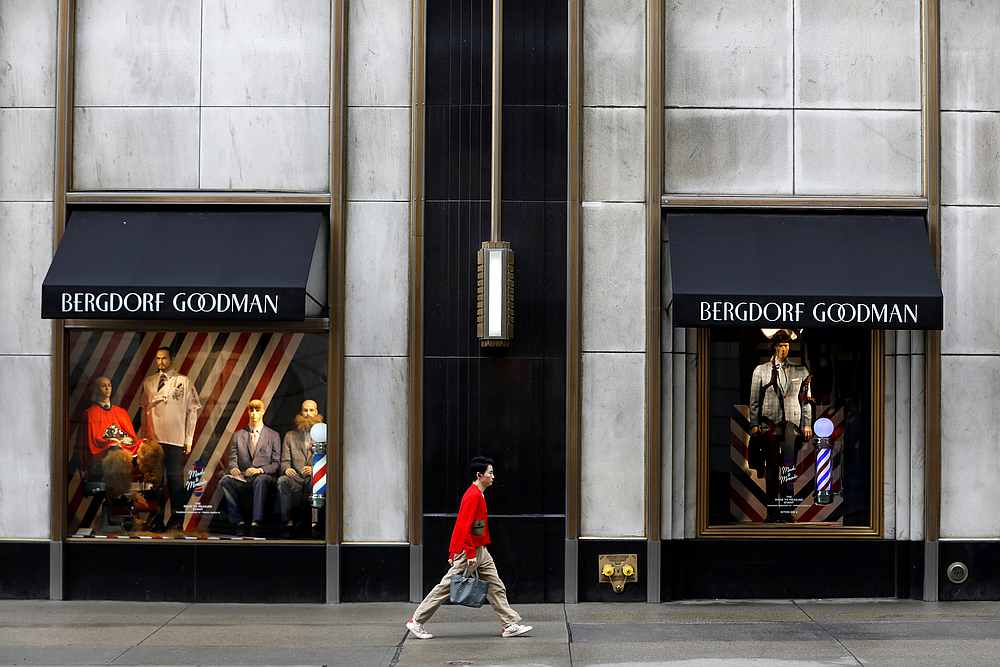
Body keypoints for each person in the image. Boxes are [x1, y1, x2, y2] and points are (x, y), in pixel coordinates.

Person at [405, 457, 532, 640]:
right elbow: (465, 527)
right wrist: (466, 553)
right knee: (446, 587)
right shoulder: (472, 496)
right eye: (490, 473)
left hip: (479, 550)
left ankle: (509, 624)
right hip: (469, 552)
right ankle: (416, 621)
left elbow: (468, 525)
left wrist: (455, 551)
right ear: (479, 475)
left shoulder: (478, 495)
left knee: (496, 586)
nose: (493, 476)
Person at [748, 329, 813, 520]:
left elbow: (806, 400)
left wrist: (807, 424)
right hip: (769, 426)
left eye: (786, 345)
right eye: (780, 346)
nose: (784, 349)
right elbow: (754, 400)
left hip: (791, 426)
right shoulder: (761, 370)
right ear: (774, 347)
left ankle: (786, 511)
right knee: (771, 471)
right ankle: (772, 511)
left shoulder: (801, 370)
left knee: (788, 468)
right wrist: (754, 423)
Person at [140, 347, 201, 529]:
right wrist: (144, 438)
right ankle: (156, 520)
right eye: (158, 359)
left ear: (171, 359)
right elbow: (145, 410)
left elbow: (193, 411)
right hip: (154, 439)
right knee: (155, 482)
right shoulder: (149, 382)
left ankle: (176, 521)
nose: (161, 362)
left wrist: (188, 439)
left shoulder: (183, 381)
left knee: (175, 482)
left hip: (175, 439)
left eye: (164, 358)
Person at [220, 399, 281, 535]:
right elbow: (232, 459)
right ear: (248, 412)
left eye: (257, 410)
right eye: (251, 410)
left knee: (260, 480)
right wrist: (233, 468)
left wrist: (259, 470)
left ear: (263, 411)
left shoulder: (273, 435)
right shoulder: (238, 435)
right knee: (225, 480)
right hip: (244, 476)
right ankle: (238, 520)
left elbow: (276, 463)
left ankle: (256, 521)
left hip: (264, 476)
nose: (254, 413)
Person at [277, 399, 323, 535]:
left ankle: (315, 522)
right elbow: (284, 461)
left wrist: (315, 469)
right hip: (296, 478)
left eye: (311, 410)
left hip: (315, 477)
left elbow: (330, 460)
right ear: (300, 413)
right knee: (282, 481)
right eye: (305, 410)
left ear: (317, 412)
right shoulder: (290, 436)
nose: (308, 414)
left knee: (316, 482)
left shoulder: (325, 434)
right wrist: (286, 469)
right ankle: (287, 521)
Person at [83, 376, 141, 481]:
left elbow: (132, 436)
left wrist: (127, 440)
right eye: (103, 386)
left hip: (124, 445)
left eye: (109, 385)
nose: (107, 388)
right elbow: (96, 439)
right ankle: (117, 485)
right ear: (97, 389)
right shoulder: (91, 413)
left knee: (147, 446)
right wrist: (114, 441)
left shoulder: (121, 412)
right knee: (114, 448)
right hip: (105, 448)